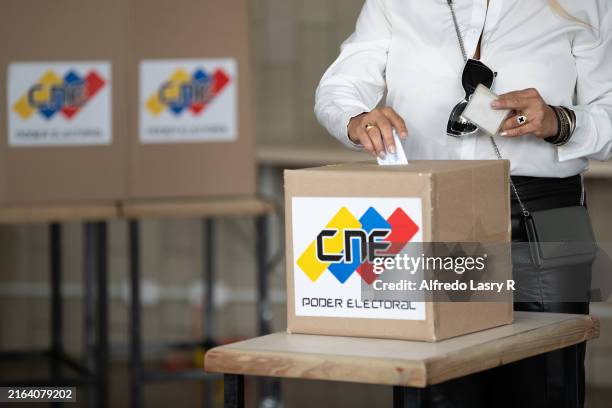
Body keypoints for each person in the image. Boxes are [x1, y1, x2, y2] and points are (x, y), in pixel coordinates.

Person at [315, 0, 612, 407]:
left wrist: (559, 121)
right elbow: (339, 87)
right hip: (430, 208)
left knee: (548, 384)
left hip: (548, 213)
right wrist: (356, 118)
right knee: (434, 387)